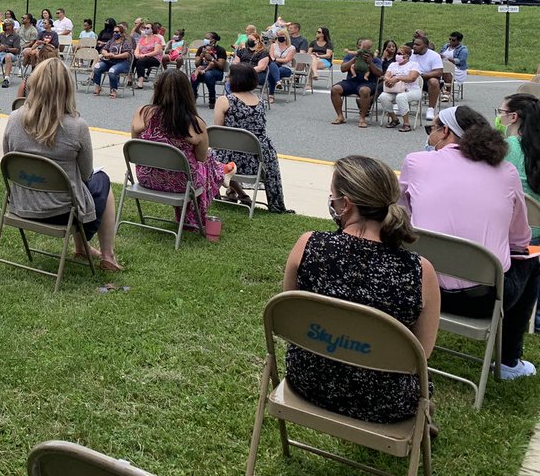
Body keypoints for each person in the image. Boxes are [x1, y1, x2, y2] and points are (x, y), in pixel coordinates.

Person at [282, 155, 439, 423]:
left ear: (346, 204)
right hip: (385, 403)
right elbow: (420, 355)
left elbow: (288, 321)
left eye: (333, 195)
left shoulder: (307, 246)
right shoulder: (420, 271)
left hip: (308, 381)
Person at [400, 106, 540, 380]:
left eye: (433, 127)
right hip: (483, 298)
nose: (430, 133)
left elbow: (400, 214)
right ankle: (509, 360)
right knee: (533, 261)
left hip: (419, 287)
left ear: (446, 132)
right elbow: (521, 239)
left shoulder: (416, 163)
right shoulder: (506, 171)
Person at [3, 59, 122, 271]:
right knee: (101, 179)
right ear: (67, 89)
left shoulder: (13, 119)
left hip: (22, 204)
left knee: (80, 185)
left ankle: (83, 248)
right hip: (62, 212)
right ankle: (108, 254)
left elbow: (9, 162)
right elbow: (86, 175)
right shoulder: (77, 127)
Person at [131, 70, 227, 229]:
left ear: (158, 89)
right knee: (208, 161)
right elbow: (201, 158)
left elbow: (136, 145)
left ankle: (222, 171)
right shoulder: (195, 123)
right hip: (181, 184)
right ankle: (220, 175)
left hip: (147, 177)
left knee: (205, 163)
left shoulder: (142, 113)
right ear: (187, 92)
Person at [213, 64, 291, 212]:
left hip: (234, 160)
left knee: (212, 155)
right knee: (226, 152)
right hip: (260, 159)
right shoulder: (260, 101)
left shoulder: (225, 101)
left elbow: (218, 132)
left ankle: (239, 193)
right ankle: (234, 192)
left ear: (235, 80)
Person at [330, 38, 383, 128]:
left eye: (367, 48)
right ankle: (340, 116)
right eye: (361, 47)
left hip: (368, 83)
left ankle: (362, 118)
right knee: (335, 89)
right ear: (358, 47)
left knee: (364, 91)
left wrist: (370, 62)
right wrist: (355, 59)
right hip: (351, 81)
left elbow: (379, 73)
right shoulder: (350, 56)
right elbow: (343, 69)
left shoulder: (375, 59)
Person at [378, 50, 422, 131]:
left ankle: (406, 124)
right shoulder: (393, 65)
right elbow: (386, 75)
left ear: (407, 55)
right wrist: (388, 80)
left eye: (400, 54)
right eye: (397, 53)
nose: (397, 55)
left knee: (401, 97)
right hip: (395, 89)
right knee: (383, 97)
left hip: (411, 90)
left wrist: (397, 78)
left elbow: (412, 78)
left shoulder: (414, 65)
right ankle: (394, 119)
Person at [410, 36, 444, 122]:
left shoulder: (434, 55)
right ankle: (399, 104)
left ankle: (431, 109)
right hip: (411, 78)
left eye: (417, 45)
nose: (414, 46)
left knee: (434, 82)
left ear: (425, 46)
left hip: (426, 79)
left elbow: (438, 72)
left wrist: (422, 75)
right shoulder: (410, 53)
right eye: (414, 44)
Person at [92, 24, 131, 98]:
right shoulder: (111, 41)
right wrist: (106, 53)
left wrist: (115, 56)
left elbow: (127, 54)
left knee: (112, 71)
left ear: (122, 33)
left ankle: (113, 89)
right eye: (114, 32)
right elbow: (103, 49)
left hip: (122, 62)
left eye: (117, 32)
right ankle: (97, 86)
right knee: (97, 67)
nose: (115, 34)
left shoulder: (125, 42)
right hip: (109, 61)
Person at [191, 32, 228, 108]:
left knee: (208, 75)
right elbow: (197, 64)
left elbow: (221, 66)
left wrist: (212, 59)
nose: (205, 40)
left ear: (213, 40)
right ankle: (193, 95)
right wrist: (201, 57)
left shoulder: (220, 50)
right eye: (205, 38)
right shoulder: (201, 49)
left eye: (207, 38)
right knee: (193, 74)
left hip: (216, 72)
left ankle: (212, 98)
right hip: (202, 70)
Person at [266, 29, 296, 104]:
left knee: (272, 72)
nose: (279, 37)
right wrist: (277, 59)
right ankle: (278, 82)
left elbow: (287, 60)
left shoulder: (291, 48)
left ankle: (271, 95)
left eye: (281, 35)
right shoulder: (273, 46)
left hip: (286, 68)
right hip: (274, 65)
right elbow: (271, 57)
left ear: (286, 37)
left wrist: (277, 59)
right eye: (278, 36)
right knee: (272, 66)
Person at [131, 22, 163, 88]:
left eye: (147, 28)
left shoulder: (157, 39)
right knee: (132, 58)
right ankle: (130, 78)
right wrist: (136, 54)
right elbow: (137, 49)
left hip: (154, 58)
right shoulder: (142, 39)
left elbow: (156, 52)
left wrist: (145, 55)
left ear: (152, 30)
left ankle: (140, 83)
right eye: (144, 28)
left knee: (141, 61)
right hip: (142, 57)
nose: (145, 29)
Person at [306, 26, 333, 94]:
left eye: (319, 32)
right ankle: (315, 74)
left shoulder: (328, 44)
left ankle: (309, 84)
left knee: (311, 63)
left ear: (323, 34)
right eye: (317, 31)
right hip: (314, 59)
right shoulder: (313, 42)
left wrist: (319, 56)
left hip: (324, 60)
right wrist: (313, 54)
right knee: (312, 58)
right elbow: (308, 53)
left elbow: (328, 55)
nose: (317, 33)